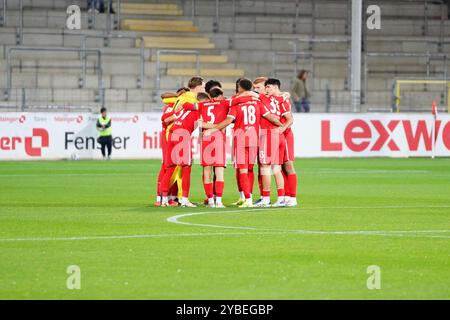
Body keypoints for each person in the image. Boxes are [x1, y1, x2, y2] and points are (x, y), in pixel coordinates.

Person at [160, 76, 205, 207]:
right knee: (186, 168)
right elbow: (197, 107)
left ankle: (163, 199)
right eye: (202, 86)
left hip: (173, 132)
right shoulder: (191, 100)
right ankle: (184, 199)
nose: (203, 88)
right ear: (197, 87)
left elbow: (165, 101)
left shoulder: (181, 98)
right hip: (183, 135)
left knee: (170, 168)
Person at [198, 87, 230, 208]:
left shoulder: (202, 105)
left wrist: (210, 128)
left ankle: (211, 201)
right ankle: (219, 201)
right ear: (218, 96)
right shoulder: (225, 103)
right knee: (219, 170)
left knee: (207, 171)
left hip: (206, 137)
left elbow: (200, 123)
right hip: (218, 137)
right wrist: (218, 126)